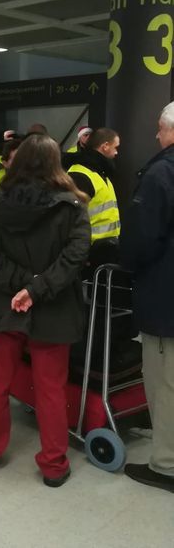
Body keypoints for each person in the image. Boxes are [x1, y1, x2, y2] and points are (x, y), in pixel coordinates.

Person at [0, 134, 90, 487]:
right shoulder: (72, 207)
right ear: (56, 162)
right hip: (52, 307)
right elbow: (76, 256)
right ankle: (54, 465)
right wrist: (35, 288)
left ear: (17, 160)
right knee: (51, 389)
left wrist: (19, 284)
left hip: (3, 305)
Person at [120, 101, 174, 493]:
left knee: (166, 383)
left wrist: (124, 262)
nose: (156, 136)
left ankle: (167, 464)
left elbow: (142, 241)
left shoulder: (160, 174)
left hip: (166, 297)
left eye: (160, 129)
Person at [67, 128, 120, 265]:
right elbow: (70, 219)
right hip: (87, 253)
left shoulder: (100, 173)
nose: (116, 152)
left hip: (103, 251)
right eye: (115, 147)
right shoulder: (81, 175)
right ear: (105, 146)